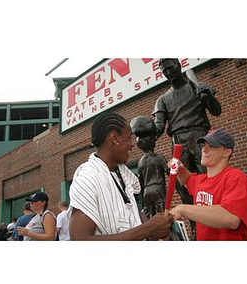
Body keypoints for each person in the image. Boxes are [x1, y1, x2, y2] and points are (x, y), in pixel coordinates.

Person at [68, 112, 173, 241]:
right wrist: (148, 229)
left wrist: (156, 230)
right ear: (114, 138)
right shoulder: (87, 179)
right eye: (129, 138)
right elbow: (80, 240)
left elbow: (132, 211)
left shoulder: (122, 172)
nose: (132, 144)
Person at [152, 58, 222, 239]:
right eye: (164, 71)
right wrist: (147, 132)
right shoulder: (163, 99)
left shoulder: (197, 86)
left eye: (170, 68)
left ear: (179, 65)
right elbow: (158, 127)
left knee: (211, 182)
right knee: (183, 188)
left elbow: (216, 111)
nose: (168, 73)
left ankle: (216, 225)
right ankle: (195, 229)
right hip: (178, 143)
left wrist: (208, 96)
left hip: (200, 138)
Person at [169, 129, 247, 241]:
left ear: (226, 152)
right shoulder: (201, 180)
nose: (204, 149)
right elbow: (187, 179)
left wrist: (183, 209)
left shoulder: (235, 177)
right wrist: (180, 168)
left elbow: (231, 218)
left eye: (212, 147)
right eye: (204, 145)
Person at [130, 116, 170, 218]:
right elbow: (170, 173)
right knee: (163, 215)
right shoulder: (159, 158)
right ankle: (167, 233)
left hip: (146, 191)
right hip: (158, 188)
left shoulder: (140, 162)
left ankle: (150, 233)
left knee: (148, 216)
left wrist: (143, 199)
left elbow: (140, 182)